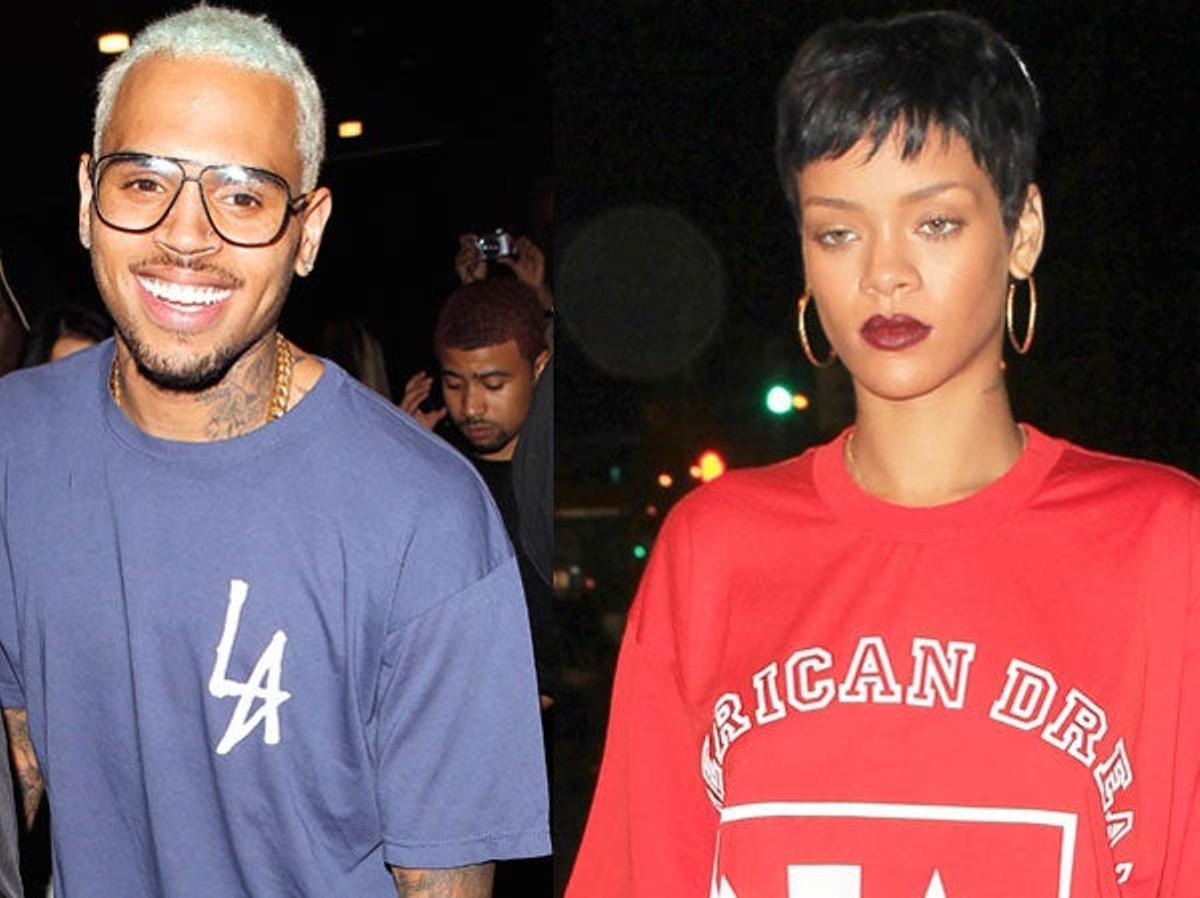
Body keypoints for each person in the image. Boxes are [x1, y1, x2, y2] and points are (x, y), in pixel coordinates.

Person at [566, 11, 1197, 897]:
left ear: (1022, 231)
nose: (883, 273)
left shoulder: (1163, 545)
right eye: (838, 231)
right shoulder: (713, 550)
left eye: (934, 223)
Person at [0, 7, 548, 897]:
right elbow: (20, 763)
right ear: (87, 198)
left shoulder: (426, 517)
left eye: (242, 196)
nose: (186, 235)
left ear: (309, 229)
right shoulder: (13, 443)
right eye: (143, 182)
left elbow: (440, 881)